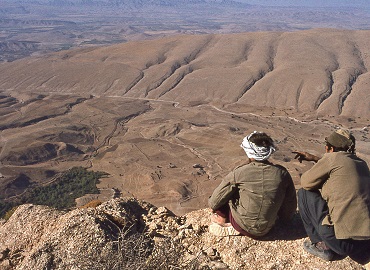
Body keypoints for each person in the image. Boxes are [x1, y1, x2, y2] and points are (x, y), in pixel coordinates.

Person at [293, 129, 370, 264]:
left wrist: (323, 161)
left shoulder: (332, 158)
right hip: (364, 243)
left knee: (304, 193)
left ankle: (321, 244)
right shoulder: (362, 164)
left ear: (330, 148)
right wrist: (316, 159)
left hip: (340, 242)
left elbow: (306, 182)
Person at [208, 131, 297, 237]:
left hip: (242, 225)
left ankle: (223, 220)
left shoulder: (240, 173)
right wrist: (283, 219)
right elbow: (290, 203)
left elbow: (214, 202)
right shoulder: (282, 173)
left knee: (227, 192)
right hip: (270, 226)